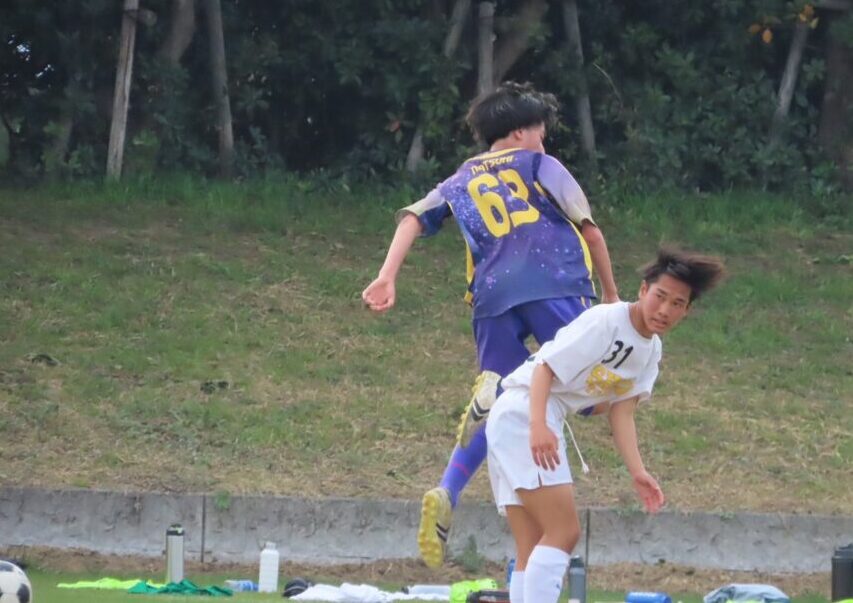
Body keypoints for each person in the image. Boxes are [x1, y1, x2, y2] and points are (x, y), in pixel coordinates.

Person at [362, 82, 619, 568]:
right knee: (596, 395)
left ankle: (449, 488)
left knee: (503, 401)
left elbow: (412, 218)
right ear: (520, 132)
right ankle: (514, 398)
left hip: (493, 297)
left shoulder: (461, 177)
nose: (544, 141)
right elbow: (592, 233)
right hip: (555, 282)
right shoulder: (542, 166)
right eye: (540, 132)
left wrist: (386, 276)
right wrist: (610, 297)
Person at [485, 248, 726, 603]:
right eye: (660, 296)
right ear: (643, 290)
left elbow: (621, 412)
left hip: (518, 416)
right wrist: (537, 425)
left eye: (677, 303)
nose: (664, 310)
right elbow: (545, 367)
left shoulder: (651, 352)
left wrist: (638, 472)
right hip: (524, 411)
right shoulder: (607, 320)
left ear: (686, 311)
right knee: (564, 532)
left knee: (532, 543)